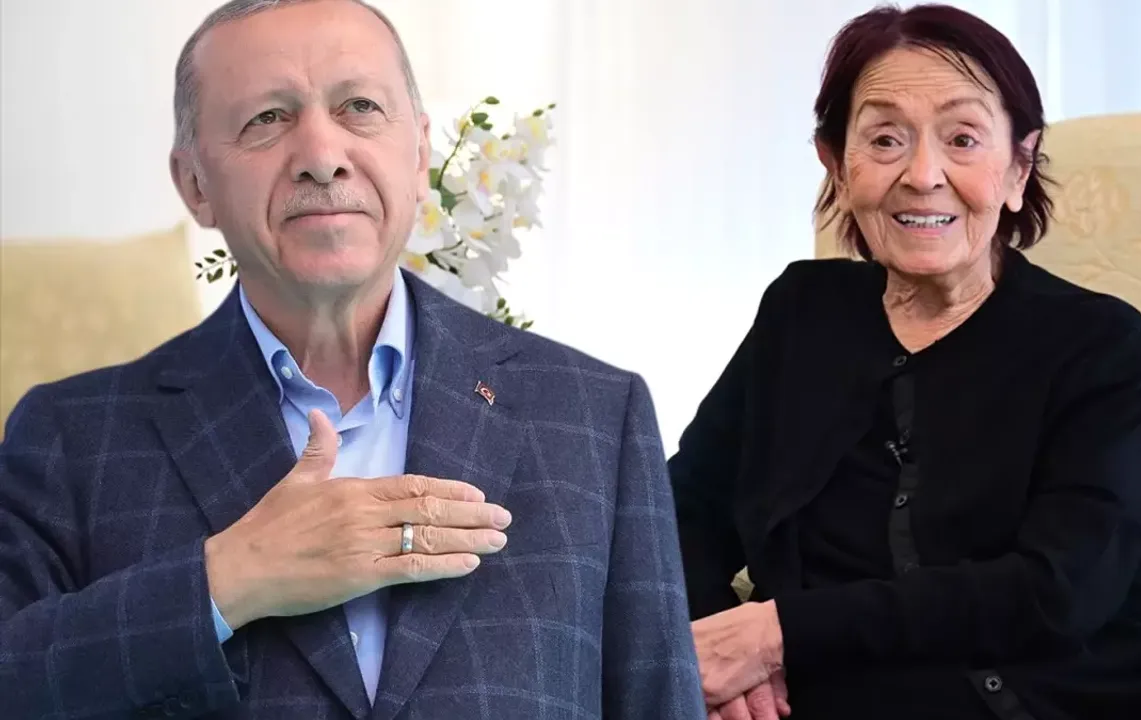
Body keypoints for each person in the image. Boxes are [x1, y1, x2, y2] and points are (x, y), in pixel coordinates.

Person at [0, 1, 704, 718]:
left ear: (420, 153)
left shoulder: (592, 415)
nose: (321, 155)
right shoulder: (70, 438)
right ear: (195, 186)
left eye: (359, 107)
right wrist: (225, 581)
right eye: (266, 119)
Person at [669, 4, 1141, 720]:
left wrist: (779, 633)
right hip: (810, 691)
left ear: (1018, 168)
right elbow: (682, 512)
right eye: (885, 139)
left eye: (962, 139)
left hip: (1027, 690)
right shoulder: (801, 312)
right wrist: (720, 654)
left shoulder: (1097, 342)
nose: (923, 175)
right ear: (836, 165)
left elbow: (1063, 587)